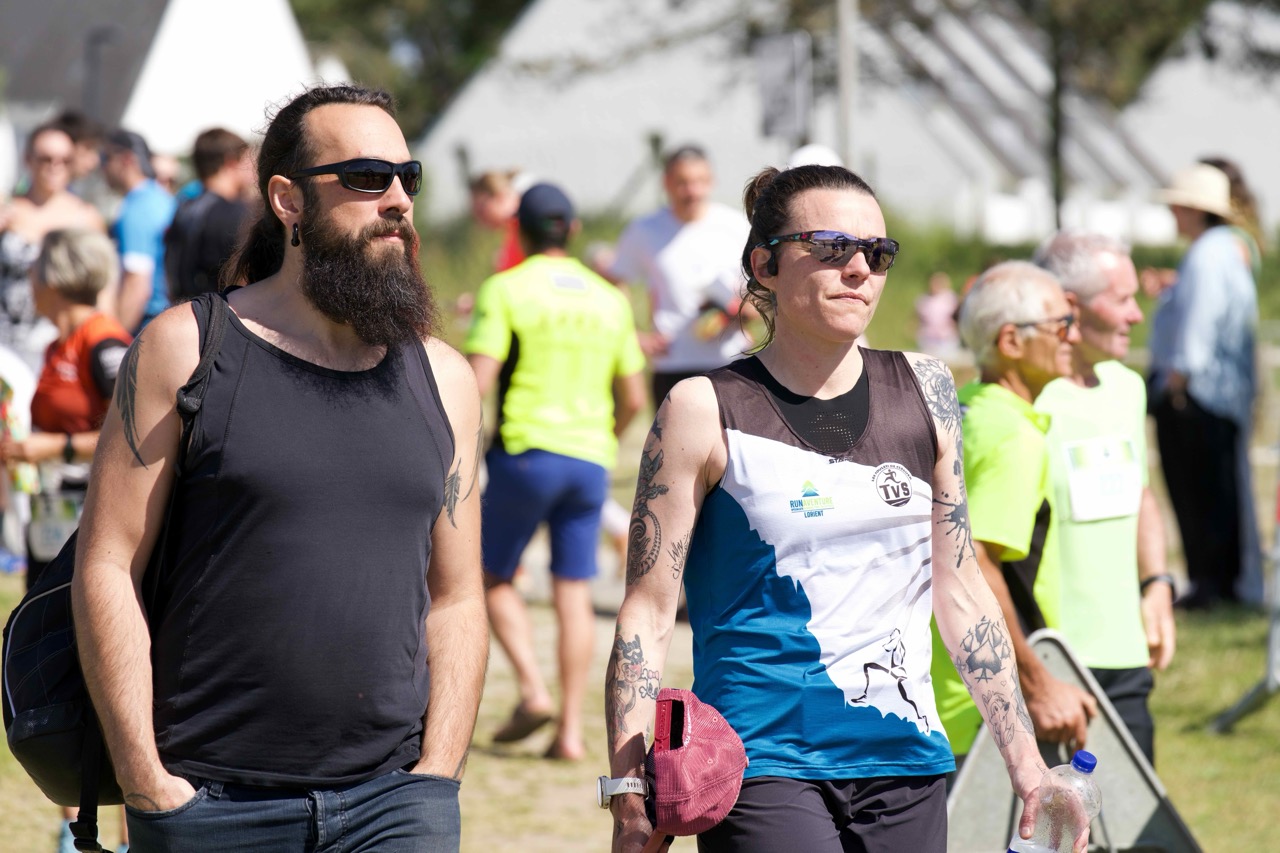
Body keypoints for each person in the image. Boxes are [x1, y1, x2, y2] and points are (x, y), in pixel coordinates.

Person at [71, 84, 488, 852]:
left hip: (395, 804)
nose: (398, 200)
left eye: (408, 177)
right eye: (367, 177)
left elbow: (458, 596)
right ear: (288, 199)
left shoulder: (445, 377)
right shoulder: (185, 349)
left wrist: (438, 774)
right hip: (213, 802)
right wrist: (147, 779)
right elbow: (107, 564)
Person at [605, 165, 1071, 853]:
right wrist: (626, 787)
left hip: (907, 759)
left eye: (877, 253)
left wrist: (1026, 762)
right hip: (760, 763)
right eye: (831, 247)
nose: (859, 269)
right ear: (764, 264)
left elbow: (962, 589)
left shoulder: (928, 388)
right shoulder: (702, 407)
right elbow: (647, 610)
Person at [465, 182, 647, 761]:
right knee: (574, 591)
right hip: (588, 461)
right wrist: (604, 437)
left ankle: (533, 690)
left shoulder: (506, 288)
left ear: (517, 228)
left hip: (524, 455)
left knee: (489, 576)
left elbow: (476, 383)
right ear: (573, 229)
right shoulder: (610, 299)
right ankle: (569, 732)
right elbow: (634, 396)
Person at [929, 261, 1097, 765]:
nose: (1074, 336)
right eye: (1061, 325)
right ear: (1011, 341)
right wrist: (1038, 685)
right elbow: (974, 561)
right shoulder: (1013, 437)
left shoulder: (962, 408)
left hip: (938, 695)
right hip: (988, 713)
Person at [0, 228, 131, 853]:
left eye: (34, 272)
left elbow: (136, 430)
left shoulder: (106, 343)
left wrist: (53, 448)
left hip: (96, 530)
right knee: (58, 666)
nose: (28, 284)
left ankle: (128, 829)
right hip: (50, 524)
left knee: (106, 667)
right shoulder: (57, 344)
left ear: (53, 277)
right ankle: (74, 822)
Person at [1033, 232, 1176, 765]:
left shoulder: (1127, 387)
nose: (1137, 314)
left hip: (1127, 660)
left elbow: (1141, 494)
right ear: (1070, 307)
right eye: (1122, 299)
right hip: (1052, 664)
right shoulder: (1026, 398)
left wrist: (1157, 585)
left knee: (1138, 814)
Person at [1148, 163, 1260, 609]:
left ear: (1195, 209)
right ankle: (1221, 583)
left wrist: (1176, 383)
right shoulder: (1225, 249)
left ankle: (1210, 584)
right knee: (1218, 490)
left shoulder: (1206, 255)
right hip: (1219, 393)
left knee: (1198, 493)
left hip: (1197, 394)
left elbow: (1198, 325)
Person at [609, 145, 752, 404]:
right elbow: (614, 283)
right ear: (666, 183)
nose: (692, 191)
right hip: (673, 364)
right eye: (682, 182)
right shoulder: (644, 230)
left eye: (700, 181)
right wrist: (633, 336)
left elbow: (760, 290)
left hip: (731, 361)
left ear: (711, 181)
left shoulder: (736, 226)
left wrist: (738, 311)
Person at [0, 123, 106, 373]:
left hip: (59, 345)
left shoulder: (85, 217)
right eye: (46, 158)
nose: (54, 167)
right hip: (5, 341)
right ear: (28, 159)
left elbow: (102, 291)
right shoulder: (8, 211)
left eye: (64, 160)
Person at [99, 129, 177, 332]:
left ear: (126, 159)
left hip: (147, 326)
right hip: (167, 320)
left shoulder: (137, 209)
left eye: (105, 158)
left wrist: (116, 340)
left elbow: (137, 282)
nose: (102, 167)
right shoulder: (161, 198)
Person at [164, 128, 253, 300]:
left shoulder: (184, 207)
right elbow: (245, 278)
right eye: (247, 162)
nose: (252, 171)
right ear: (231, 163)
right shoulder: (237, 214)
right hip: (222, 310)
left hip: (184, 308)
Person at [469, 168, 526, 273]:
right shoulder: (512, 231)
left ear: (500, 197)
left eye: (481, 210)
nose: (479, 220)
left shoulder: (528, 225)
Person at [915, 271, 960, 358]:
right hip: (928, 338)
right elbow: (918, 317)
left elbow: (957, 316)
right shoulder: (923, 299)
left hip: (946, 338)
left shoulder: (950, 298)